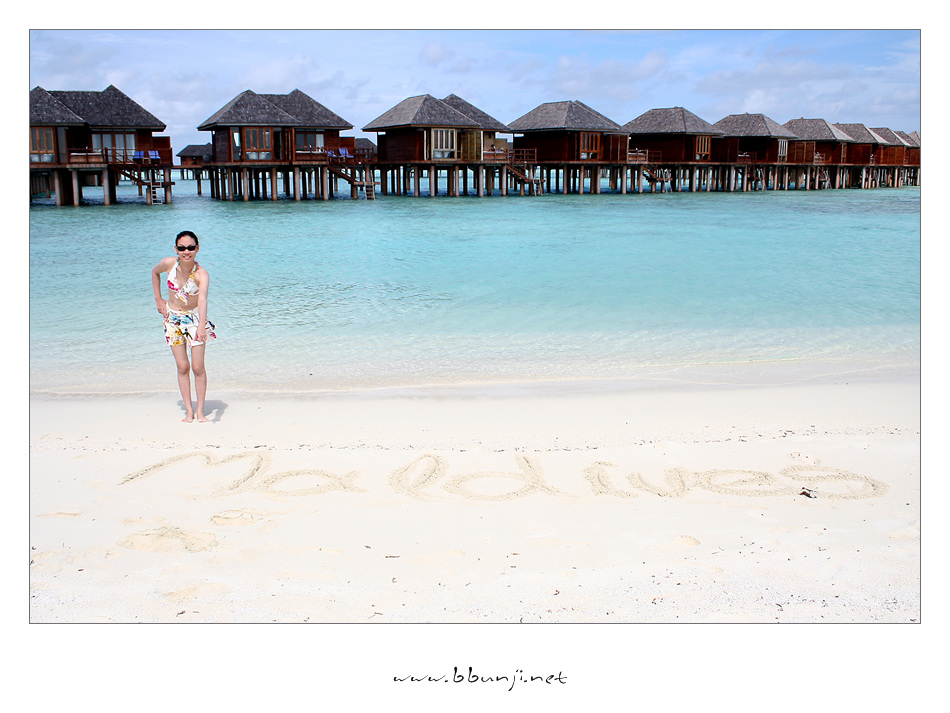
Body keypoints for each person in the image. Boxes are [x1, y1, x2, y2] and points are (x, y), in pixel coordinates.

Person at [151, 231, 216, 422]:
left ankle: (201, 411)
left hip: (194, 320)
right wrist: (158, 299)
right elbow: (154, 273)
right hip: (172, 320)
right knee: (182, 367)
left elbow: (202, 300)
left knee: (198, 367)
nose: (186, 251)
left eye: (190, 247)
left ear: (197, 248)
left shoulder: (201, 274)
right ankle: (189, 411)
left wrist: (202, 326)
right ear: (176, 249)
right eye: (182, 248)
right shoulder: (169, 264)